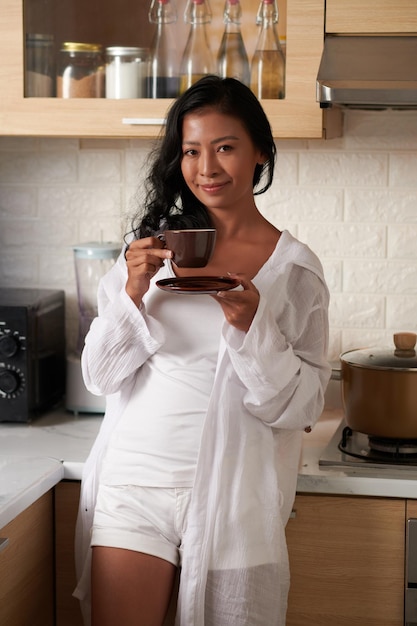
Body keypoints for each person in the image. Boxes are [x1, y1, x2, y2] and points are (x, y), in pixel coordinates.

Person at [74, 75, 331, 626]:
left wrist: (252, 325)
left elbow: (305, 406)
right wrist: (130, 295)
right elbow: (98, 375)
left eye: (225, 147)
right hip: (136, 482)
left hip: (236, 498)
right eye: (191, 150)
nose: (207, 168)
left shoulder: (295, 270)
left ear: (260, 151)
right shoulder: (149, 251)